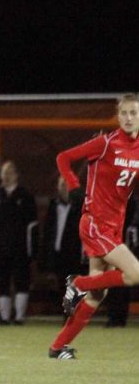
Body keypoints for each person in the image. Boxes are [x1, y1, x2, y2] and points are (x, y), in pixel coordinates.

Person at [55, 94, 139, 358]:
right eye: (124, 113)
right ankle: (77, 282)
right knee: (135, 273)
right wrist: (73, 186)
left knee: (97, 293)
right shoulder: (105, 143)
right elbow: (63, 158)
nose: (128, 118)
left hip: (114, 226)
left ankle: (58, 347)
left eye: (133, 113)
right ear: (118, 115)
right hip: (95, 223)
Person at [0, 161, 38, 325]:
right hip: (0, 248)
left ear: (16, 175)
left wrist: (32, 249)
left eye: (10, 172)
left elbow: (32, 226)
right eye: (4, 173)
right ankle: (4, 316)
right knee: (2, 282)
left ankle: (19, 316)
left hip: (20, 248)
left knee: (21, 282)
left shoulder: (26, 197)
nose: (7, 176)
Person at [40, 176, 85, 309]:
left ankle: (74, 315)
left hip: (75, 251)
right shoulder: (54, 206)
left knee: (75, 285)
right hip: (59, 252)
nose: (65, 188)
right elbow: (49, 230)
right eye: (62, 185)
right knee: (62, 285)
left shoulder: (81, 206)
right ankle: (68, 314)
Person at [103, 192, 139, 327]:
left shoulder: (130, 203)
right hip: (115, 244)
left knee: (122, 282)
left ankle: (118, 317)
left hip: (123, 245)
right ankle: (114, 316)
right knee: (114, 281)